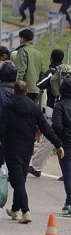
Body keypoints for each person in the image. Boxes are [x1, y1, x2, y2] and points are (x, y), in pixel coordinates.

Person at [0, 80, 64, 224]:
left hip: (11, 148)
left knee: (17, 182)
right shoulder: (34, 107)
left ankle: (26, 211)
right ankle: (15, 209)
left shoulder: (8, 107)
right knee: (20, 180)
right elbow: (46, 128)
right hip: (26, 149)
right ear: (26, 91)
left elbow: (0, 128)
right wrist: (58, 144)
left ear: (14, 91)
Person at [30, 49, 65, 177]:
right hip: (68, 109)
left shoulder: (52, 72)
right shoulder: (66, 71)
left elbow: (40, 85)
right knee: (66, 140)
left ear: (51, 59)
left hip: (54, 110)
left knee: (48, 140)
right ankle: (66, 172)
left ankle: (36, 167)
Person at [51, 78, 71, 215]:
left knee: (68, 175)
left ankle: (70, 202)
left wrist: (57, 142)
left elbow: (57, 125)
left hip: (66, 144)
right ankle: (68, 201)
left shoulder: (60, 106)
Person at [15, 28, 44, 103]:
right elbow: (42, 71)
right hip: (36, 88)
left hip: (25, 88)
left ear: (22, 39)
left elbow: (21, 70)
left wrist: (17, 87)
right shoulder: (38, 53)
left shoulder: (22, 51)